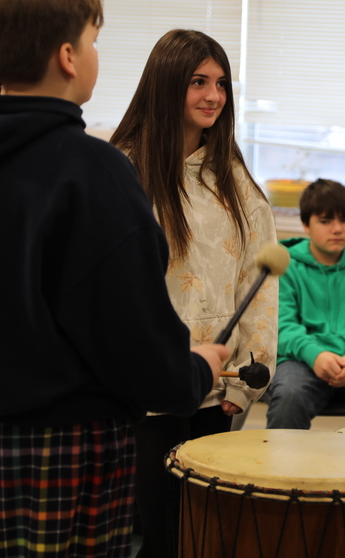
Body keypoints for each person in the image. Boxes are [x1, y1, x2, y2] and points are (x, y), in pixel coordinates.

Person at [0, 0, 228, 558]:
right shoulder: (96, 173)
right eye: (93, 40)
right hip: (68, 449)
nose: (95, 54)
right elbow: (130, 333)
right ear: (68, 56)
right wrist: (195, 372)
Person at [110, 29, 278, 558]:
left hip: (219, 385)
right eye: (198, 81)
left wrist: (248, 378)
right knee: (160, 531)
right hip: (145, 391)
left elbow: (261, 285)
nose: (214, 95)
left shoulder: (235, 180)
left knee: (206, 532)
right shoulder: (122, 170)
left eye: (221, 82)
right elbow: (106, 288)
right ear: (165, 86)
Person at [265, 178, 345, 429]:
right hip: (301, 360)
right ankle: (279, 467)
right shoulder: (285, 266)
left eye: (344, 220)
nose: (337, 229)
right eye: (325, 221)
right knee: (289, 396)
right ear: (305, 225)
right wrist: (316, 355)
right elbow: (283, 325)